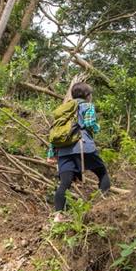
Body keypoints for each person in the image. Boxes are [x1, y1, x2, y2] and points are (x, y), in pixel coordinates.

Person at [46, 82, 110, 222]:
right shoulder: (87, 106)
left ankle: (58, 216)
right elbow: (89, 124)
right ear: (87, 96)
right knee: (102, 173)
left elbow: (56, 132)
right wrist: (97, 128)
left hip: (62, 150)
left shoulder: (62, 109)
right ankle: (102, 205)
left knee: (65, 183)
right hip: (83, 146)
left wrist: (51, 154)